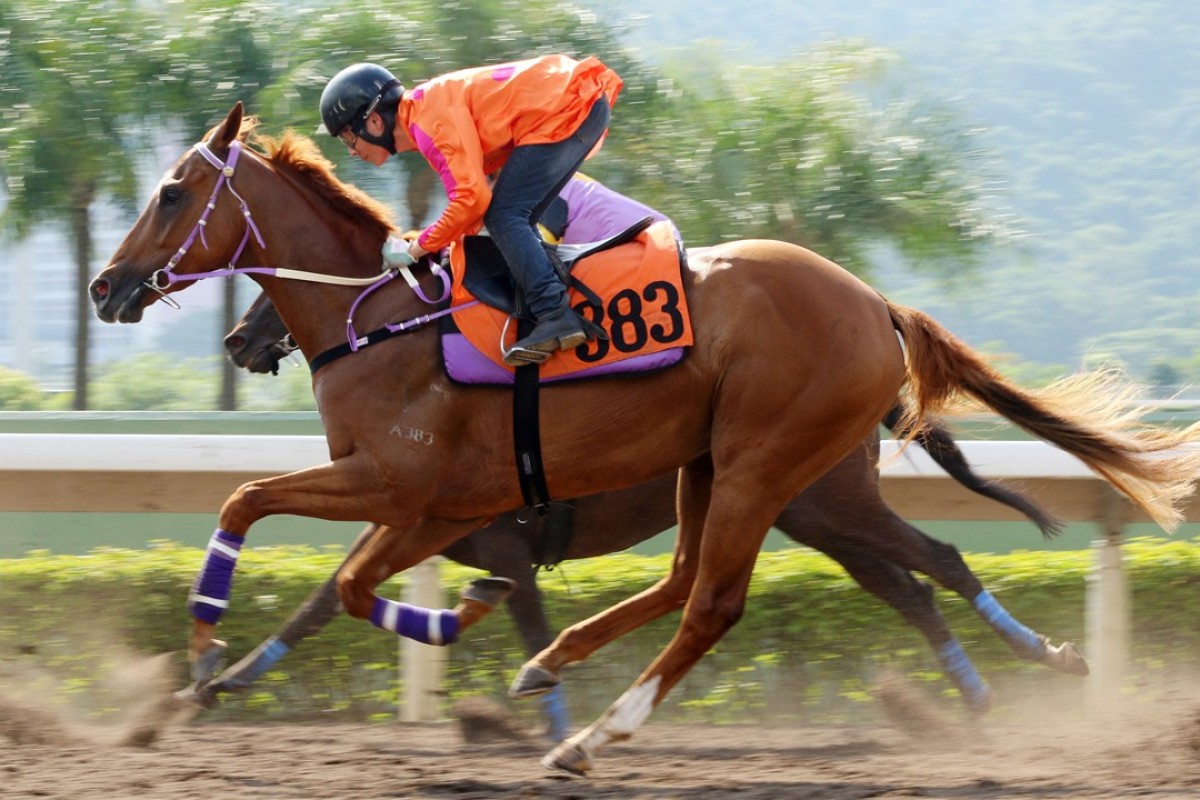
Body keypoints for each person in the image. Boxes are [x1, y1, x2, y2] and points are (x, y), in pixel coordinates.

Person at [318, 55, 623, 366]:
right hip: (574, 101)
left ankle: (555, 313)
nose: (352, 152)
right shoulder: (424, 117)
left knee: (506, 216)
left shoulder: (428, 120)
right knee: (515, 217)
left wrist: (416, 247)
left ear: (374, 121)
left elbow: (472, 199)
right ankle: (549, 308)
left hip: (569, 103)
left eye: (347, 137)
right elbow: (474, 208)